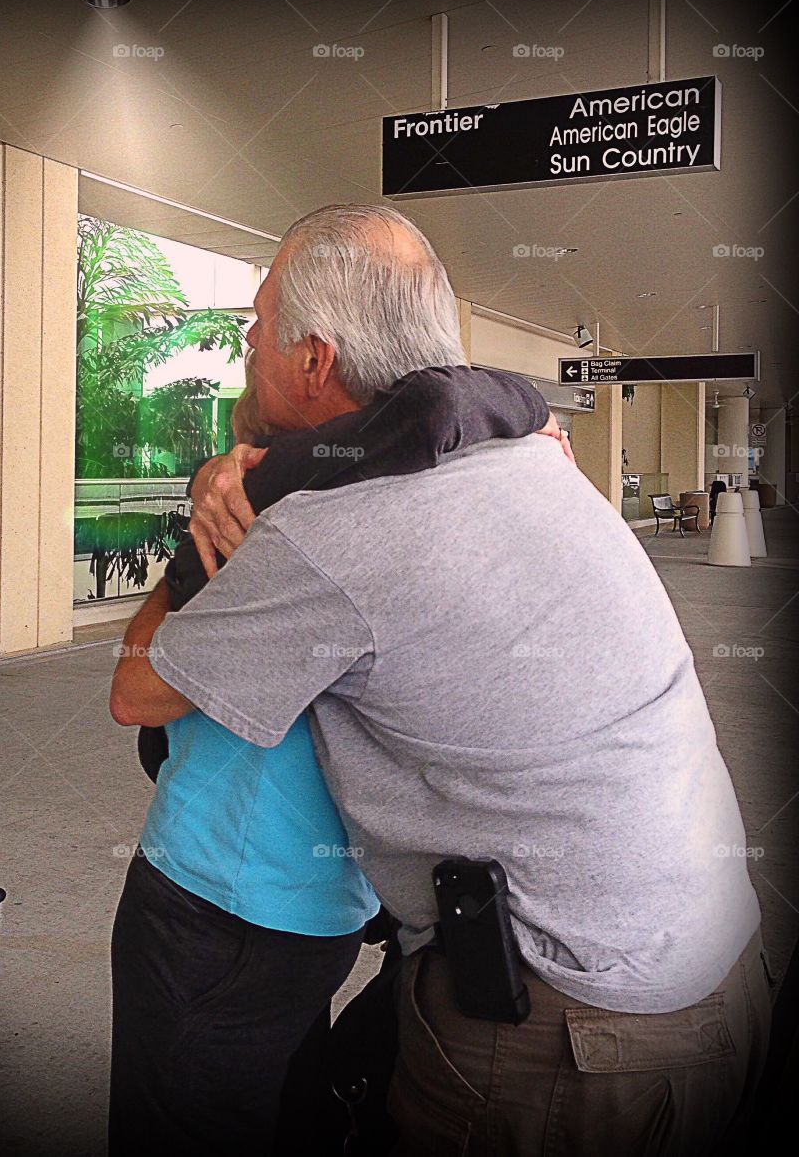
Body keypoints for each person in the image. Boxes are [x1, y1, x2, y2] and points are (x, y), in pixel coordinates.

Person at [112, 201, 771, 1156]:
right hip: (711, 966)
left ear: (312, 360)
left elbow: (136, 690)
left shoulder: (336, 532)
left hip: (577, 1035)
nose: (244, 345)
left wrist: (215, 523)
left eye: (257, 325)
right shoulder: (532, 456)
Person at [109, 327, 559, 1153]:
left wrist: (188, 563)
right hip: (328, 907)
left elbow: (133, 693)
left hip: (215, 897)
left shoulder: (281, 532)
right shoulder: (435, 500)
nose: (251, 339)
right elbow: (502, 411)